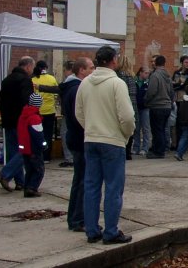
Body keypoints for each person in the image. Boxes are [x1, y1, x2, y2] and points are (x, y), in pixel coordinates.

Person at [76, 46, 135, 245]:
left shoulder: (85, 83)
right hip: (112, 140)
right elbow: (127, 116)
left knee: (91, 186)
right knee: (113, 188)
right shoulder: (116, 84)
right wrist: (126, 134)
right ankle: (111, 231)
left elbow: (79, 112)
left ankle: (92, 230)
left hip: (91, 138)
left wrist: (91, 128)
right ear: (113, 60)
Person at [60, 56, 94, 232]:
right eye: (91, 68)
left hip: (77, 138)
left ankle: (76, 217)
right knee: (82, 181)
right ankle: (77, 219)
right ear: (82, 70)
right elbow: (78, 117)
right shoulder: (76, 90)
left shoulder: (71, 88)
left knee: (80, 180)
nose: (93, 71)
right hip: (80, 139)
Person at [0, 57, 35, 192]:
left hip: (8, 119)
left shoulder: (6, 80)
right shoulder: (25, 81)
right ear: (28, 66)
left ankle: (20, 182)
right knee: (25, 150)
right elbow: (27, 101)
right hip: (20, 120)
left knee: (13, 150)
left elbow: (1, 100)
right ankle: (5, 174)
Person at [17, 93, 46, 197]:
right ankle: (32, 188)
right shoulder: (35, 118)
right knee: (39, 170)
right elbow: (39, 135)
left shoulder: (23, 115)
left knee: (29, 170)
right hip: (34, 148)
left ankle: (27, 187)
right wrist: (44, 145)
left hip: (24, 148)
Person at [145, 55, 173, 159]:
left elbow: (151, 91)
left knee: (157, 130)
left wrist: (146, 100)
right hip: (167, 106)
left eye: (153, 61)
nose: (152, 63)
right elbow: (171, 91)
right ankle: (162, 148)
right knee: (162, 129)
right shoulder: (167, 75)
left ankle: (158, 151)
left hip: (157, 106)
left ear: (156, 63)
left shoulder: (155, 75)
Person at [32, 60, 58, 163]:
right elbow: (56, 93)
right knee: (48, 134)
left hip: (37, 111)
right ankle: (46, 156)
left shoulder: (33, 79)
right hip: (49, 111)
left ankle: (37, 154)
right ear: (46, 68)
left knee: (37, 134)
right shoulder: (52, 78)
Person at [115, 55, 138, 161]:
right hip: (133, 103)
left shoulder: (119, 76)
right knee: (131, 128)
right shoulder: (132, 76)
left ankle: (124, 151)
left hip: (124, 101)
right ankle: (128, 152)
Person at [133, 67, 151, 155]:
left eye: (148, 73)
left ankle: (145, 147)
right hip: (136, 107)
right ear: (140, 73)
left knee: (146, 128)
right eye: (146, 73)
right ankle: (136, 147)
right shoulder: (134, 81)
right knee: (136, 128)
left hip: (145, 108)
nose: (147, 75)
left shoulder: (148, 83)